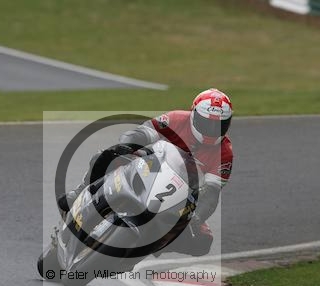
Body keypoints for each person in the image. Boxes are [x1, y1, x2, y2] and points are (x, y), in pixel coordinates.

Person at [57, 88, 234, 256]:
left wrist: (198, 217)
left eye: (219, 125)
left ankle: (142, 251)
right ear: (193, 114)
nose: (212, 130)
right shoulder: (176, 119)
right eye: (207, 123)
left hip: (181, 196)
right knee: (105, 157)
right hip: (149, 167)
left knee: (203, 241)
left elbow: (212, 192)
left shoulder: (225, 152)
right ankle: (79, 194)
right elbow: (143, 131)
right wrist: (127, 145)